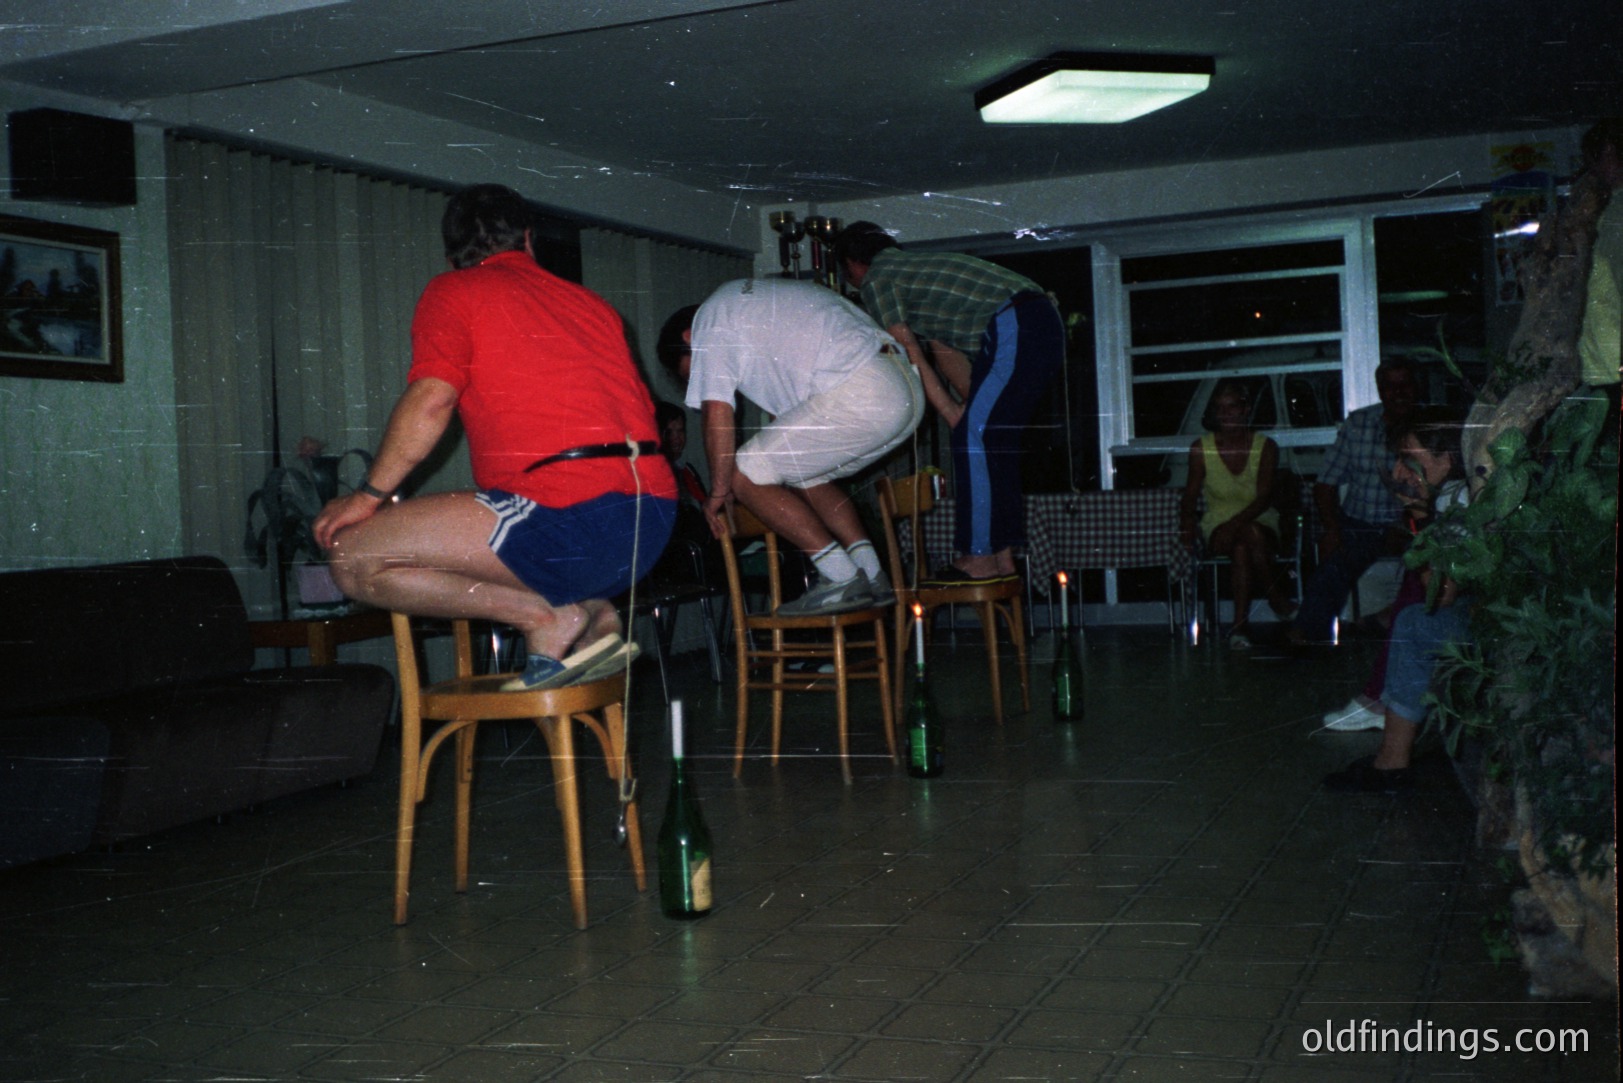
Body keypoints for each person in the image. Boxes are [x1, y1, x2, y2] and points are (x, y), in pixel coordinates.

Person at [312, 183, 677, 690]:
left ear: (452, 254)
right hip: (653, 521)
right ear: (528, 239)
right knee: (508, 515)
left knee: (352, 558)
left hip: (570, 518)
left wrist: (367, 495)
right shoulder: (592, 305)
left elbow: (432, 400)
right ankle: (584, 610)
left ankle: (544, 615)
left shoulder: (453, 290)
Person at [657, 277, 924, 616]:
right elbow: (787, 423)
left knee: (741, 472)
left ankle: (840, 577)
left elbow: (716, 411)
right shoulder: (749, 309)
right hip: (903, 389)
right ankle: (871, 575)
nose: (703, 377)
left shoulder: (711, 318)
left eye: (693, 371)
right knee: (802, 470)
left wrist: (720, 490)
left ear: (688, 338)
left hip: (864, 388)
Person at [834, 221, 1063, 584]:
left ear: (852, 265)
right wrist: (966, 411)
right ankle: (1002, 557)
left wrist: (955, 416)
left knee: (975, 438)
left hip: (1017, 321)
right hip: (1036, 322)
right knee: (990, 442)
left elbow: (907, 351)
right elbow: (945, 349)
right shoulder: (914, 274)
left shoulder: (878, 278)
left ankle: (979, 556)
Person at [1323, 408, 1470, 792]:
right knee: (1409, 615)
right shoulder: (1450, 497)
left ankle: (1391, 760)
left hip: (1487, 622)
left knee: (1415, 623)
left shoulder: (1459, 501)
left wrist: (1418, 515)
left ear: (1446, 461)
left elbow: (1440, 593)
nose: (1400, 473)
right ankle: (1391, 748)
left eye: (1410, 461)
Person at [1287, 356, 1420, 647]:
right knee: (1334, 562)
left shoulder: (1429, 425)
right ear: (1380, 390)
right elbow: (1325, 483)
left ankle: (1392, 618)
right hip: (1361, 522)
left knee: (1430, 556)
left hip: (1411, 523)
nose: (1398, 393)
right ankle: (1306, 633)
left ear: (1415, 387)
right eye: (1390, 387)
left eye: (1405, 385)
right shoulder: (1359, 424)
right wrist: (1332, 528)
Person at [1179, 380, 1295, 650]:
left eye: (1232, 407)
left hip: (1262, 520)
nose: (1226, 414)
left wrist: (1234, 525)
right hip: (1217, 524)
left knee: (1245, 543)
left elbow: (1264, 497)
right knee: (1247, 536)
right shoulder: (1201, 448)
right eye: (1220, 408)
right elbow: (1190, 495)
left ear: (1246, 410)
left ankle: (1240, 627)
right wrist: (1186, 523)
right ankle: (1275, 598)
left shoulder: (1266, 446)